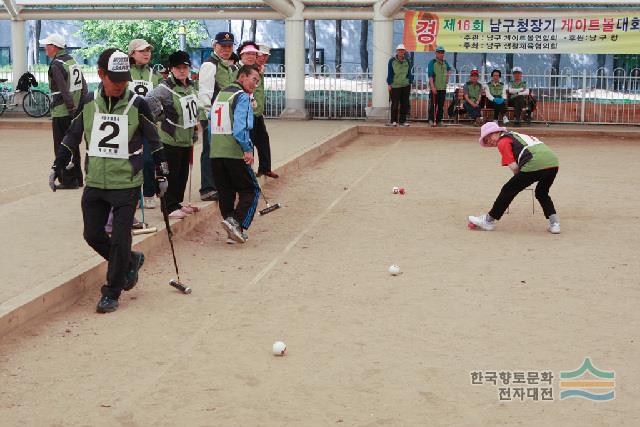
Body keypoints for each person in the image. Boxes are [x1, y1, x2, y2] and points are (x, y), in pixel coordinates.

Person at [48, 48, 168, 313]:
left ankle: (112, 292)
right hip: (95, 181)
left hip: (126, 182)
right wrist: (58, 164)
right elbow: (72, 135)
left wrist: (161, 172)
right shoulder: (89, 102)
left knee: (120, 238)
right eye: (115, 79)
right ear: (101, 74)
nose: (120, 84)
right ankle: (129, 262)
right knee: (92, 234)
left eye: (124, 79)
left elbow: (154, 140)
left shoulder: (138, 104)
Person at [468, 122, 561, 234]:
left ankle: (488, 221)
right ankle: (555, 224)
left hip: (534, 162)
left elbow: (514, 167)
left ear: (497, 132)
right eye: (486, 140)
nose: (489, 141)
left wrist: (518, 182)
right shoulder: (515, 135)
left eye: (489, 136)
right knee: (542, 193)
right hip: (553, 162)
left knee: (508, 189)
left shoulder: (502, 142)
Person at [210, 64, 261, 244]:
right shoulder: (242, 97)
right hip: (234, 152)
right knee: (251, 190)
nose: (255, 84)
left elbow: (211, 123)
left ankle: (233, 230)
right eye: (254, 79)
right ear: (242, 77)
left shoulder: (221, 95)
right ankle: (237, 223)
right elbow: (240, 129)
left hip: (216, 152)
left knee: (226, 192)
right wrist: (247, 149)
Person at [145, 51, 199, 220]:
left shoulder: (191, 86)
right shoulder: (165, 88)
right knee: (170, 174)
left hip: (186, 137)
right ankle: (168, 206)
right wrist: (161, 115)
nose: (182, 71)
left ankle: (176, 203)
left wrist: (195, 130)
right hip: (170, 138)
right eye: (178, 68)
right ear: (171, 69)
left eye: (185, 67)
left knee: (182, 173)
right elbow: (148, 98)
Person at [41, 33, 87, 189]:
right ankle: (78, 178)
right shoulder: (71, 61)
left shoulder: (55, 65)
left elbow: (63, 90)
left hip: (63, 111)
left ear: (54, 47)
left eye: (47, 45)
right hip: (75, 110)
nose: (45, 48)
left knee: (62, 145)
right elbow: (83, 85)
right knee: (73, 144)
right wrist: (80, 106)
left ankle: (67, 180)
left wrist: (71, 108)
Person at [197, 32, 238, 202]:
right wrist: (208, 115)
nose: (226, 49)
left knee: (222, 150)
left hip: (225, 115)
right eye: (223, 46)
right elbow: (205, 92)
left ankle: (220, 184)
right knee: (210, 150)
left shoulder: (230, 66)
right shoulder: (210, 65)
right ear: (215, 46)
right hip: (212, 115)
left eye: (229, 46)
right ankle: (207, 188)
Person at [128, 38, 163, 209]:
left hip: (148, 124)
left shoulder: (154, 75)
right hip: (128, 124)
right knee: (131, 161)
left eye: (148, 50)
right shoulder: (125, 72)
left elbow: (158, 99)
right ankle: (132, 195)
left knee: (149, 161)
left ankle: (149, 193)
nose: (146, 53)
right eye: (142, 51)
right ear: (132, 53)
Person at [252, 44, 279, 178]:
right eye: (261, 55)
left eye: (266, 56)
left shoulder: (260, 69)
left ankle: (265, 168)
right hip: (249, 113)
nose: (263, 58)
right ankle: (248, 173)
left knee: (263, 140)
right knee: (249, 143)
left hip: (258, 113)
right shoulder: (249, 70)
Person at [386, 44, 413, 127]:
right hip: (395, 85)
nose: (401, 52)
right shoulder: (392, 61)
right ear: (397, 51)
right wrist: (389, 83)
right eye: (399, 50)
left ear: (404, 51)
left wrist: (410, 80)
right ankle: (393, 121)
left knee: (404, 103)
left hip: (405, 85)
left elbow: (409, 72)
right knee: (395, 103)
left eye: (402, 50)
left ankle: (402, 121)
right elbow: (390, 72)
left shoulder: (407, 61)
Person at [427, 46, 451, 127]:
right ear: (436, 53)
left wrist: (447, 78)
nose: (441, 54)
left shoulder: (445, 62)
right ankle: (431, 120)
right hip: (435, 87)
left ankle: (439, 120)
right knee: (433, 105)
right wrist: (432, 87)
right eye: (439, 52)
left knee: (441, 106)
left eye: (442, 53)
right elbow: (430, 75)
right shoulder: (432, 62)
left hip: (443, 87)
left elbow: (449, 69)